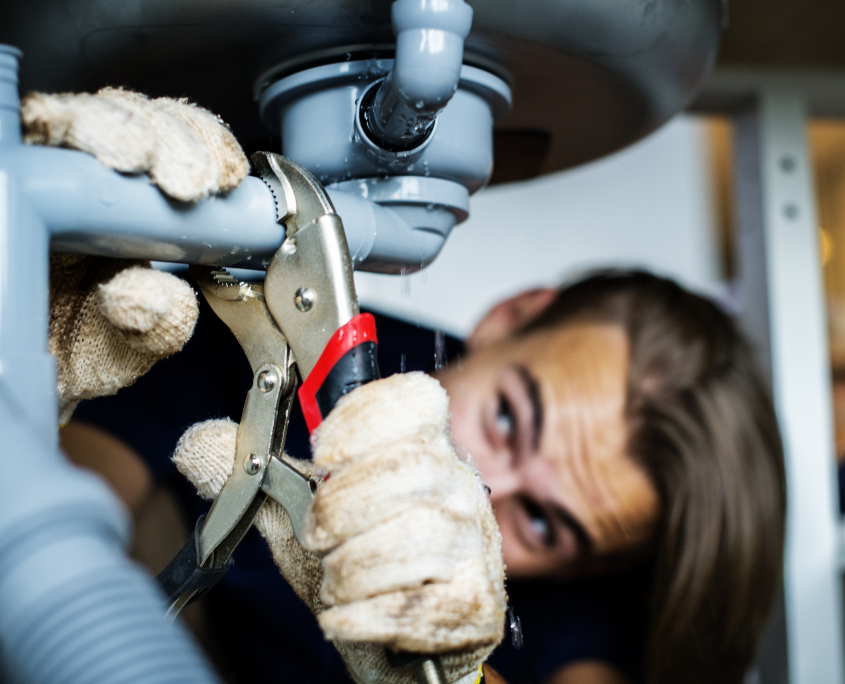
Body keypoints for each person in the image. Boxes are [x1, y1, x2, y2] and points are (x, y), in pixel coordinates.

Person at [64, 269, 786, 684]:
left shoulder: (560, 616)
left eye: (542, 522)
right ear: (509, 319)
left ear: (591, 566)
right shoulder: (273, 340)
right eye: (506, 418)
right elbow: (72, 501)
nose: (474, 489)